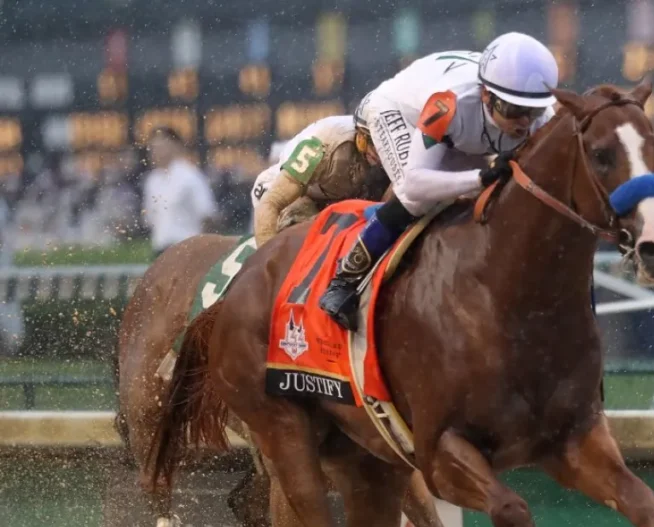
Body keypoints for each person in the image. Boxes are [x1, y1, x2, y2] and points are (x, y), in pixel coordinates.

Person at [318, 31, 559, 331]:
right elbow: (417, 183)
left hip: (461, 135)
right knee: (416, 199)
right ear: (486, 94)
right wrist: (480, 178)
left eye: (532, 112)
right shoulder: (448, 103)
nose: (524, 123)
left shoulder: (544, 117)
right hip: (398, 111)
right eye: (512, 110)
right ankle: (344, 280)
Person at [250, 114, 383, 248]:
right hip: (288, 191)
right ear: (360, 136)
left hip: (330, 197)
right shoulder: (323, 144)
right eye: (371, 142)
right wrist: (270, 258)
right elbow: (270, 203)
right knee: (304, 240)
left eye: (384, 142)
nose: (379, 150)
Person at [142, 127, 218, 258]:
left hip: (188, 250)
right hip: (160, 250)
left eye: (161, 147)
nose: (156, 152)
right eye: (153, 148)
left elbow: (207, 215)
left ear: (175, 146)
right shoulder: (152, 181)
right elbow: (150, 219)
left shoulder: (191, 176)